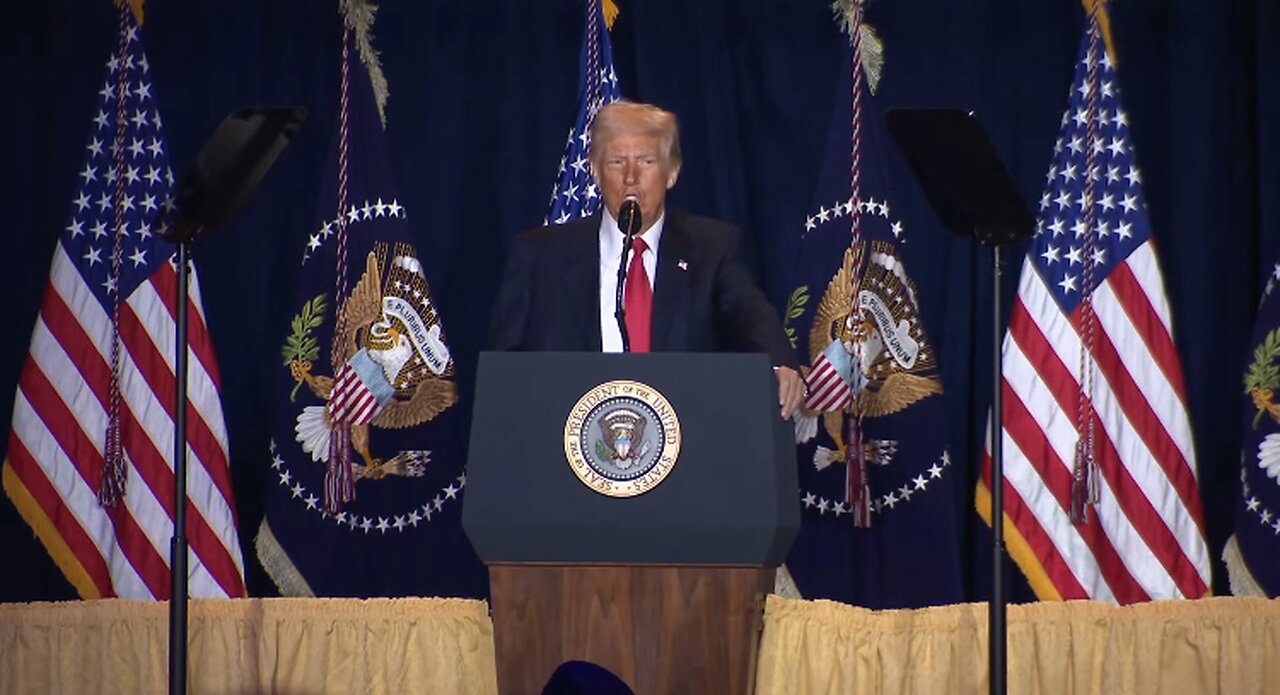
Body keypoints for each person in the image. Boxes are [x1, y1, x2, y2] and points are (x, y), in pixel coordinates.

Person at [490, 101, 804, 418]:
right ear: (596, 174)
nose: (631, 177)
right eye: (616, 162)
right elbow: (504, 372)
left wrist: (777, 360)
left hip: (686, 443)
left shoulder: (712, 247)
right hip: (565, 446)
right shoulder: (539, 256)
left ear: (672, 173)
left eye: (646, 161)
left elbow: (747, 311)